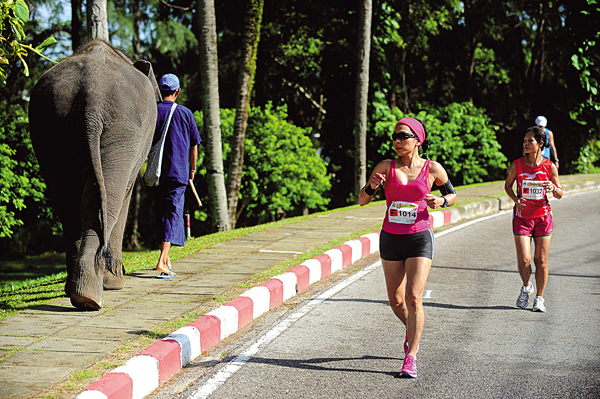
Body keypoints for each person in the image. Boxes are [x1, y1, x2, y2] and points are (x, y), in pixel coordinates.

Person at [359, 117, 457, 378]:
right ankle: (413, 328)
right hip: (391, 237)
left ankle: (410, 356)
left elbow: (453, 194)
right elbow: (361, 200)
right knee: (396, 300)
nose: (397, 141)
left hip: (419, 237)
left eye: (403, 136)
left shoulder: (432, 169)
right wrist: (372, 187)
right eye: (395, 137)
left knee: (414, 297)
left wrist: (441, 200)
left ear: (418, 140)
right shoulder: (385, 166)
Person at [504, 126, 562, 312]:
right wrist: (516, 199)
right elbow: (507, 186)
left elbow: (560, 192)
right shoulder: (517, 164)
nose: (526, 144)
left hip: (543, 218)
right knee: (524, 260)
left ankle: (540, 298)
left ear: (540, 144)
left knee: (541, 260)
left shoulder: (549, 166)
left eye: (530, 141)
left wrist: (553, 188)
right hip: (522, 218)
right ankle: (527, 286)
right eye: (525, 141)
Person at [152, 73, 201, 279]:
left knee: (164, 214)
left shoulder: (152, 111)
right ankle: (163, 260)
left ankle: (168, 264)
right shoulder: (185, 113)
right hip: (178, 173)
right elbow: (194, 145)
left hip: (156, 173)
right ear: (177, 91)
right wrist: (192, 169)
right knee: (173, 214)